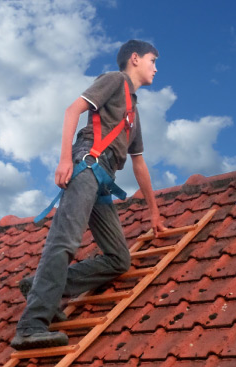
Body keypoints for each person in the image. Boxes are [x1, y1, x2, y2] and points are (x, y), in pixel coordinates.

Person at [11, 39, 166, 350]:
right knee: (65, 241)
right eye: (152, 60)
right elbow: (73, 110)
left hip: (103, 180)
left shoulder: (133, 114)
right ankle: (32, 325)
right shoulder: (114, 80)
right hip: (86, 164)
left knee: (119, 259)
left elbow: (139, 163)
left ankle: (41, 287)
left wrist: (154, 210)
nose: (156, 67)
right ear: (134, 59)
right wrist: (65, 159)